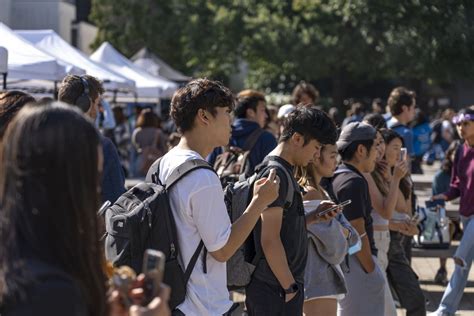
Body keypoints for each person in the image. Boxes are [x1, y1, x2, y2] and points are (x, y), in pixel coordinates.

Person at [0, 102, 169, 316]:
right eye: (93, 179)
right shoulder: (49, 291)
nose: (97, 193)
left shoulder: (21, 260)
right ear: (69, 184)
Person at [145, 79, 280, 316]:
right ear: (204, 116)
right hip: (203, 306)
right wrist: (258, 202)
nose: (232, 120)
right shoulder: (202, 177)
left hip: (174, 301)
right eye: (227, 113)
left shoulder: (163, 163)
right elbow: (222, 250)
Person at [245, 106, 340, 316]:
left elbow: (281, 228)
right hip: (276, 288)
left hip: (279, 287)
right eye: (316, 147)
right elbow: (269, 239)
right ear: (297, 138)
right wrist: (290, 288)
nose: (317, 155)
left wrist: (312, 218)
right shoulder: (275, 173)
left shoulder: (283, 170)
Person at [294, 143, 358, 316]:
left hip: (314, 279)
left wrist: (345, 232)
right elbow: (337, 247)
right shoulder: (311, 193)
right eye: (332, 156)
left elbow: (351, 237)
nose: (336, 161)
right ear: (316, 157)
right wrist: (344, 231)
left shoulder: (317, 190)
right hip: (317, 280)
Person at [330, 122, 386, 316]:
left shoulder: (337, 176)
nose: (378, 152)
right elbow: (357, 231)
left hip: (344, 262)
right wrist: (371, 270)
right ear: (361, 150)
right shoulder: (354, 182)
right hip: (357, 265)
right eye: (375, 146)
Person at [430, 107, 474, 316]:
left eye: (465, 123)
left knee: (460, 259)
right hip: (466, 214)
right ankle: (446, 311)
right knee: (462, 267)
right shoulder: (461, 152)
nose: (460, 128)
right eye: (458, 124)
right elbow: (457, 184)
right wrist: (445, 196)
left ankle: (445, 310)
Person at [58, 75, 125, 204]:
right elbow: (115, 202)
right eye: (97, 103)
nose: (97, 110)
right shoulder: (102, 147)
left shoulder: (42, 142)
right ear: (86, 104)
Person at [364, 128, 409, 316]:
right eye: (377, 143)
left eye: (381, 142)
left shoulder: (378, 172)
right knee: (384, 307)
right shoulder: (366, 173)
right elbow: (386, 211)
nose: (380, 147)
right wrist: (396, 179)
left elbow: (403, 208)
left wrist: (392, 177)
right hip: (373, 241)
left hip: (383, 241)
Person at [381, 129, 425, 316]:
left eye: (401, 148)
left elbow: (405, 209)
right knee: (413, 298)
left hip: (400, 239)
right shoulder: (377, 175)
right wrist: (394, 178)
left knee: (413, 298)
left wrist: (400, 177)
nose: (400, 154)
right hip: (386, 240)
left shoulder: (398, 174)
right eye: (395, 148)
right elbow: (390, 210)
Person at [207, 89, 277, 176]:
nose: (266, 115)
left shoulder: (219, 136)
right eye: (262, 110)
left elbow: (207, 168)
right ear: (250, 112)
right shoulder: (267, 139)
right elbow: (272, 174)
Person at [432, 141, 462, 286]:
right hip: (447, 218)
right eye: (455, 154)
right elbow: (437, 203)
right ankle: (443, 269)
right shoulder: (441, 175)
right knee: (445, 226)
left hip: (465, 216)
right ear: (449, 155)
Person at [386, 87, 417, 173]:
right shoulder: (406, 133)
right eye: (413, 107)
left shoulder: (384, 125)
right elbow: (406, 167)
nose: (415, 111)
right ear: (404, 108)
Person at [132, 108, 168, 177]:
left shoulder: (137, 132)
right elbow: (164, 149)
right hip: (155, 161)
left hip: (140, 161)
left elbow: (134, 150)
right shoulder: (158, 132)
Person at [112, 105, 132, 176]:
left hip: (122, 158)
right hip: (121, 157)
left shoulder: (122, 126)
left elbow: (123, 141)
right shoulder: (119, 125)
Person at [410, 109, 432, 174]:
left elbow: (412, 138)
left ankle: (417, 170)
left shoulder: (414, 128)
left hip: (416, 150)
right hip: (425, 148)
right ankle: (418, 169)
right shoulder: (428, 126)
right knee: (418, 162)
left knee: (415, 163)